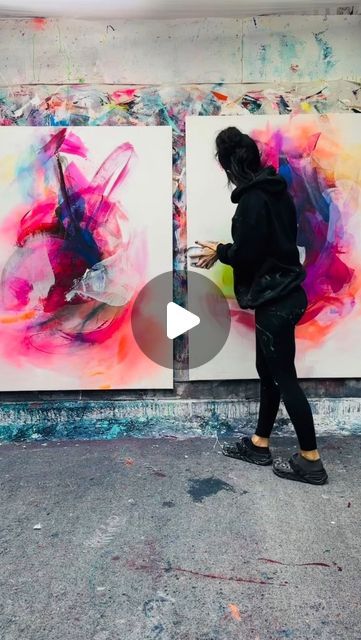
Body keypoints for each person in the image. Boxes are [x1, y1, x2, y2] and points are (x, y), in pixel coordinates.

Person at [194, 126, 328, 485]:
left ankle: (311, 460)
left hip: (277, 299)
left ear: (226, 166)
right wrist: (225, 252)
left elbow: (250, 253)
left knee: (284, 378)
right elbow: (269, 245)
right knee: (268, 371)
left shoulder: (254, 200)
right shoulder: (276, 194)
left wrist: (220, 252)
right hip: (285, 295)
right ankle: (259, 444)